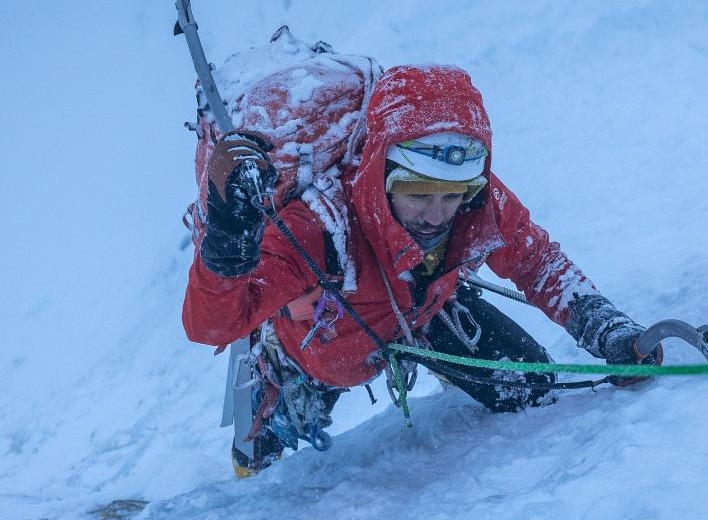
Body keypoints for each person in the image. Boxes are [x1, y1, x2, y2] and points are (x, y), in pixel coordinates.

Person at [183, 65, 659, 476]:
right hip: (319, 345)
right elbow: (211, 324)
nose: (437, 216)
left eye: (452, 196)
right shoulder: (317, 226)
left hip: (424, 313)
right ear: (379, 173)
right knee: (264, 464)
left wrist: (605, 328)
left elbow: (537, 262)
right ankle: (275, 374)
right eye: (418, 194)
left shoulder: (475, 200)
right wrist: (228, 242)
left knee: (530, 390)